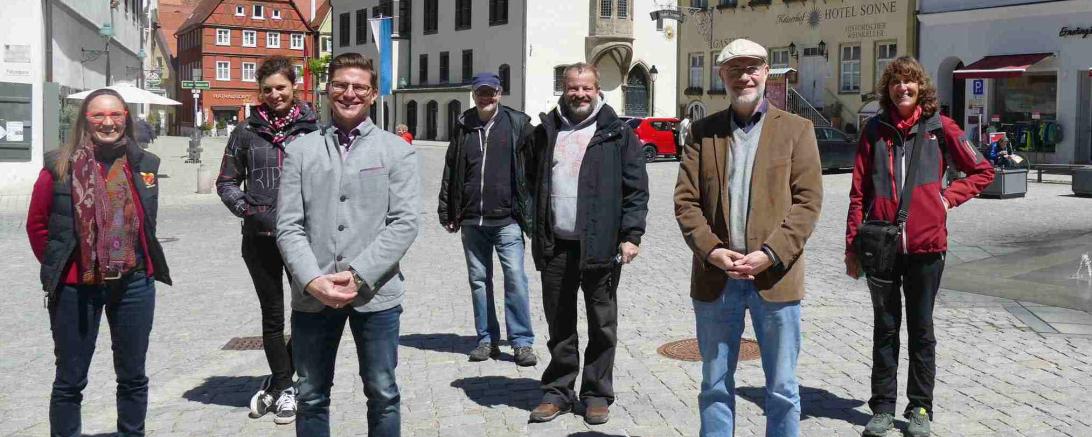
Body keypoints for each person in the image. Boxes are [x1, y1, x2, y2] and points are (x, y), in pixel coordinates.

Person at [674, 38, 823, 437]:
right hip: (716, 278)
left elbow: (807, 204)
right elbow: (686, 203)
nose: (745, 77)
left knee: (782, 388)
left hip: (775, 278)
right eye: (735, 69)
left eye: (752, 68)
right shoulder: (703, 134)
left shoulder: (797, 130)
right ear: (722, 76)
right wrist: (713, 251)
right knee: (715, 385)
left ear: (765, 72)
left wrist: (770, 254)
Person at [846, 56, 994, 437]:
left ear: (921, 87)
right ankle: (881, 408)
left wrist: (945, 200)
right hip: (880, 246)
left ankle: (920, 408)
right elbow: (858, 193)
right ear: (888, 89)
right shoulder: (874, 131)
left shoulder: (940, 128)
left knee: (922, 328)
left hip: (927, 248)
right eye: (896, 82)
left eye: (910, 82)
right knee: (886, 328)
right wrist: (852, 246)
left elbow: (982, 171)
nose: (903, 88)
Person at [276, 52, 420, 437]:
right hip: (313, 294)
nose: (349, 93)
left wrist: (357, 276)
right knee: (310, 395)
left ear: (372, 94)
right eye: (341, 85)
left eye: (359, 87)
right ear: (328, 90)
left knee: (383, 392)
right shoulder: (300, 150)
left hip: (376, 294)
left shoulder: (397, 150)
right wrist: (311, 279)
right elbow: (288, 226)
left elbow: (404, 223)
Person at [26, 88, 172, 436]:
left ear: (126, 118)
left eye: (115, 115)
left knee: (133, 376)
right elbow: (37, 225)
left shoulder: (145, 165)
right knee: (70, 380)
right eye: (98, 116)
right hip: (78, 286)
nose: (108, 123)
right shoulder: (58, 166)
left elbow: (145, 223)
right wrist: (63, 264)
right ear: (85, 121)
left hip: (135, 282)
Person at [527, 62, 649, 426]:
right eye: (573, 88)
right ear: (563, 89)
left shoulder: (617, 133)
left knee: (601, 324)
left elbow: (636, 189)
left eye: (587, 88)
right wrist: (533, 223)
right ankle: (558, 391)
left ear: (598, 90)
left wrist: (631, 235)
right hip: (556, 246)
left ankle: (596, 393)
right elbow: (529, 180)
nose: (579, 94)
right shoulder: (546, 131)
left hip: (601, 245)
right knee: (559, 323)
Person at [216, 55, 319, 425]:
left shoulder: (313, 129)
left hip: (303, 238)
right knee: (273, 316)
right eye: (268, 89)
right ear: (259, 91)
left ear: (294, 87)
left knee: (309, 312)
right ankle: (284, 386)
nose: (275, 94)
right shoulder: (245, 131)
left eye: (281, 88)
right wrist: (249, 210)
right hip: (258, 238)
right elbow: (226, 182)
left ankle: (279, 379)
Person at [437, 72, 538, 366]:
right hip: (472, 221)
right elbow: (451, 169)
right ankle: (486, 339)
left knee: (516, 280)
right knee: (479, 281)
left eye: (491, 92)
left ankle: (521, 343)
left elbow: (536, 164)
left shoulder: (517, 124)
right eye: (481, 92)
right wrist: (447, 210)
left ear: (500, 93)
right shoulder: (463, 125)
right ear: (473, 94)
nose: (486, 97)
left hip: (507, 221)